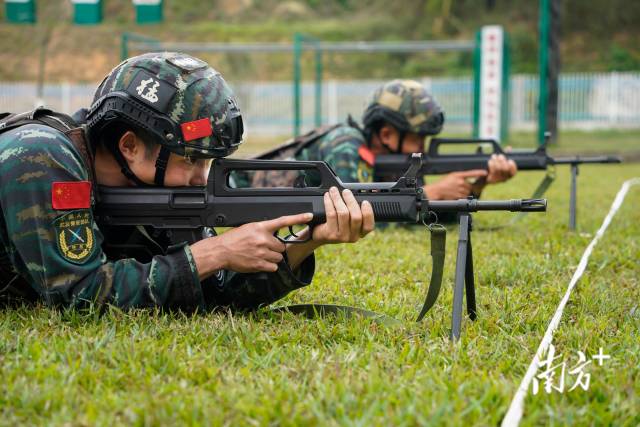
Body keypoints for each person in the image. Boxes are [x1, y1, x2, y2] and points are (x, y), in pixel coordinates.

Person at [0, 52, 374, 311]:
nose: (200, 178)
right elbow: (80, 296)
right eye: (190, 159)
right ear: (129, 146)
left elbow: (217, 290)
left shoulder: (152, 186)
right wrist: (214, 253)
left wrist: (305, 243)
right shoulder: (41, 154)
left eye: (208, 161)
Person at [250, 79, 517, 200]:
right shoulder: (345, 144)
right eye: (418, 139)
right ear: (387, 134)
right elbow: (352, 213)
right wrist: (431, 193)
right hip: (247, 193)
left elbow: (420, 216)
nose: (422, 149)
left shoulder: (395, 163)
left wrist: (475, 188)